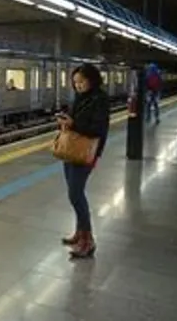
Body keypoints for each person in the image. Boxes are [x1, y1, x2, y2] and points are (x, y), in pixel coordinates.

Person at [56, 63, 110, 259]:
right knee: (73, 193)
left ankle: (88, 241)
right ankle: (80, 233)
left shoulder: (100, 99)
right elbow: (76, 121)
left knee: (76, 194)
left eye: (81, 82)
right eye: (75, 82)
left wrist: (73, 124)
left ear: (92, 80)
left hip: (86, 153)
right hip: (71, 150)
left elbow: (98, 129)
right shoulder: (80, 98)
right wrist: (65, 121)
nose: (77, 85)